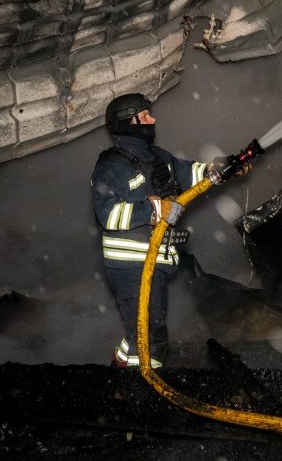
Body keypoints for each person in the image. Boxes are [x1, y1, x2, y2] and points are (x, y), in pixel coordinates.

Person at [91, 93, 249, 368]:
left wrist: (224, 168)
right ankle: (142, 392)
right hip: (131, 262)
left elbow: (192, 174)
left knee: (146, 334)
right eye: (145, 116)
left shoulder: (159, 157)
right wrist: (154, 210)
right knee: (149, 339)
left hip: (157, 260)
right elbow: (108, 214)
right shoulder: (112, 164)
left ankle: (124, 377)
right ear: (128, 121)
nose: (152, 120)